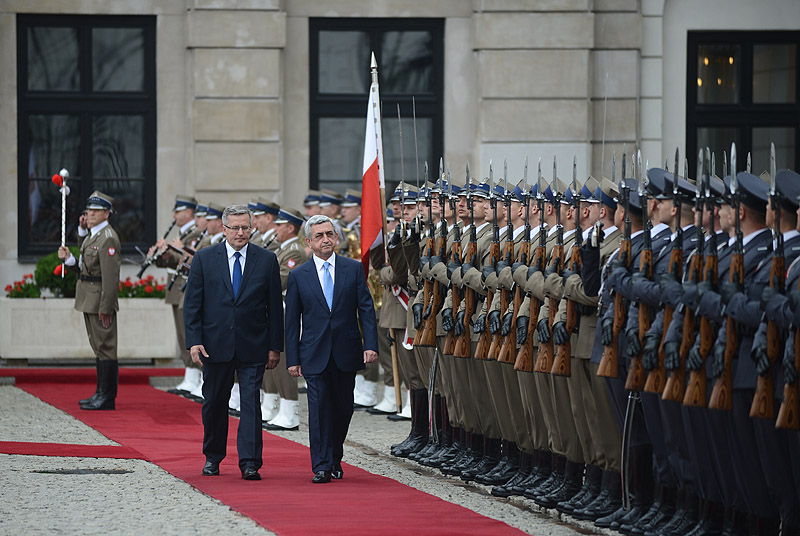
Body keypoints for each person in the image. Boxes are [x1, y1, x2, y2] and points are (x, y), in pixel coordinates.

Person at [183, 204, 284, 480]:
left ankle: (250, 462)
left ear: (252, 228)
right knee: (214, 403)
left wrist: (274, 347)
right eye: (235, 227)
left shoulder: (266, 260)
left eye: (245, 227)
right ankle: (213, 457)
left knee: (251, 403)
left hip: (254, 345)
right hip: (214, 345)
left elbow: (274, 308)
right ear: (224, 228)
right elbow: (192, 305)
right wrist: (194, 341)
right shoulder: (204, 259)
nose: (240, 232)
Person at [284, 214, 378, 483]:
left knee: (343, 408)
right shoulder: (298, 275)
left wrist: (370, 345)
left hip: (346, 351)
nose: (325, 239)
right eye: (319, 236)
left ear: (336, 237)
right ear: (309, 242)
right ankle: (321, 465)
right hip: (313, 353)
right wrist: (293, 359)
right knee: (318, 410)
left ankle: (335, 455)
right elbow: (291, 321)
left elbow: (366, 309)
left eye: (329, 234)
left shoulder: (352, 268)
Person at [58, 191, 121, 410]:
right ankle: (100, 392)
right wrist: (70, 259)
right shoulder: (94, 235)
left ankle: (107, 397)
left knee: (106, 347)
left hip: (100, 301)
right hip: (89, 298)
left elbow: (111, 278)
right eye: (89, 210)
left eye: (96, 211)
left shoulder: (108, 237)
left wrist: (106, 307)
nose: (90, 214)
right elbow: (86, 266)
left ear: (106, 214)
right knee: (98, 346)